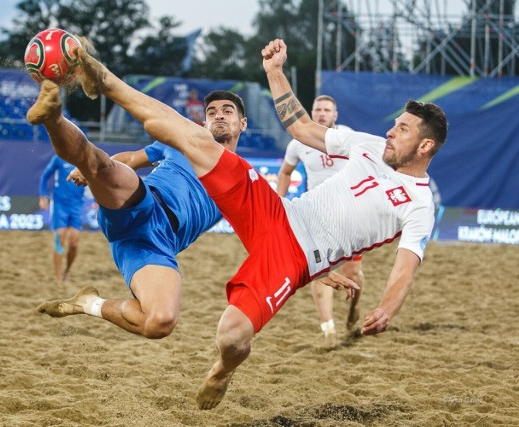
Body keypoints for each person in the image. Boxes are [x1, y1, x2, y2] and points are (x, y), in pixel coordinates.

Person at [65, 37, 446, 409]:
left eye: (403, 129)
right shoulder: (368, 144)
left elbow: (406, 266)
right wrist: (275, 72)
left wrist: (388, 308)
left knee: (231, 337)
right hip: (278, 211)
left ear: (425, 146)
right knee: (196, 140)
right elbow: (301, 128)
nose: (391, 131)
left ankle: (222, 371)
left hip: (296, 257)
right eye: (395, 124)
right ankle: (104, 80)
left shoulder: (419, 204)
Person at [30, 77, 358, 339]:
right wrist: (93, 171)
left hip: (154, 247)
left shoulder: (245, 179)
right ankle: (52, 115)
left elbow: (276, 236)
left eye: (227, 111)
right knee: (96, 161)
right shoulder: (183, 142)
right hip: (143, 204)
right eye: (212, 111)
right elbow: (130, 160)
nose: (218, 115)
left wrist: (320, 269)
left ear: (243, 124)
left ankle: (89, 303)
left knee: (160, 322)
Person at [276, 95, 363, 349]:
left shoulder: (349, 137)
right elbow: (284, 172)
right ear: (312, 113)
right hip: (316, 215)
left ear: (335, 115)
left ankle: (353, 309)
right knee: (319, 271)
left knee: (354, 273)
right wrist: (278, 204)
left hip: (349, 216)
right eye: (318, 109)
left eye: (327, 110)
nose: (322, 113)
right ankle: (329, 330)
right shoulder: (299, 142)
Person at [39, 154, 87, 284]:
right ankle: (58, 277)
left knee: (74, 243)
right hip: (60, 204)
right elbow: (44, 176)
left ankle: (67, 270)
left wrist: (97, 200)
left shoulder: (83, 157)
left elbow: (93, 179)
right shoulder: (59, 158)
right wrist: (43, 196)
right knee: (60, 238)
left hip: (77, 205)